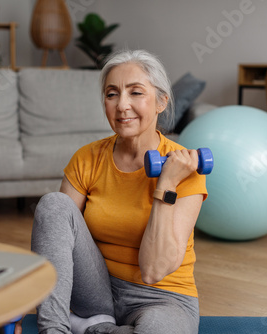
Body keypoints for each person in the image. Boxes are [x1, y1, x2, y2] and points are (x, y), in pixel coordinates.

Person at [26, 49, 207, 334]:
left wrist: (166, 185)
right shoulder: (88, 158)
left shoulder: (185, 168)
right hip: (97, 292)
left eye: (136, 93)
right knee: (53, 204)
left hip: (163, 298)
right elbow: (59, 238)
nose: (122, 105)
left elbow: (153, 271)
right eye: (112, 94)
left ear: (161, 101)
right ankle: (56, 330)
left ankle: (93, 329)